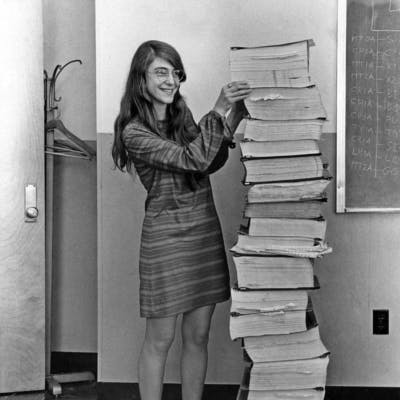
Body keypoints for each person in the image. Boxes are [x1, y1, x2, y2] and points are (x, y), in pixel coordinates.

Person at [112, 40, 251, 400]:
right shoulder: (134, 132)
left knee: (199, 335)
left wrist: (232, 116)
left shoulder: (181, 115)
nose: (172, 80)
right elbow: (191, 158)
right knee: (160, 339)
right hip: (165, 238)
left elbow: (208, 161)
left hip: (202, 231)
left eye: (175, 73)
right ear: (140, 78)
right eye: (162, 71)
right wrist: (218, 110)